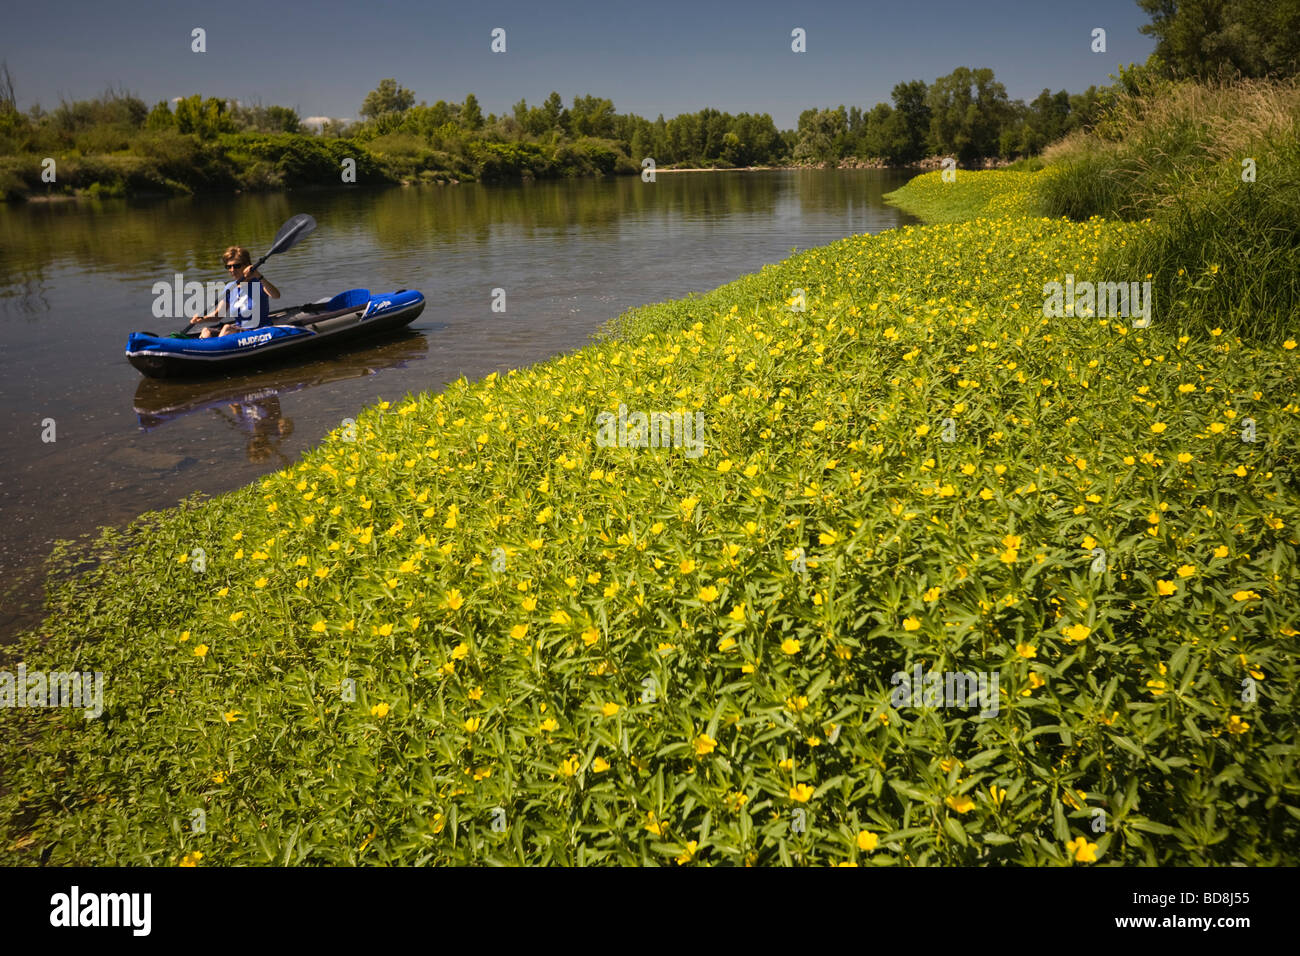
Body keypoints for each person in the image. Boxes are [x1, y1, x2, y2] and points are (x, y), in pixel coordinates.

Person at [189, 246, 281, 338]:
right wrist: (202, 319)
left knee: (227, 329)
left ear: (247, 265)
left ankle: (218, 348)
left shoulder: (259, 283)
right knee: (206, 331)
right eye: (229, 267)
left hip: (258, 330)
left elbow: (276, 295)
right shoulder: (230, 287)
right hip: (240, 331)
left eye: (236, 266)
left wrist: (258, 275)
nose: (232, 270)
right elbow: (218, 315)